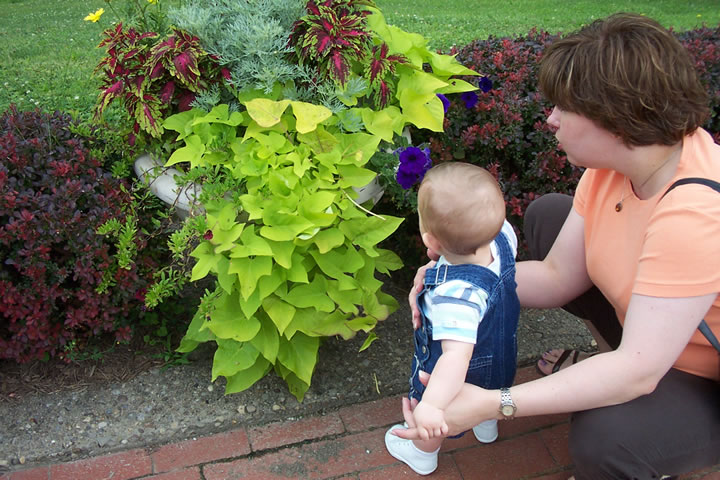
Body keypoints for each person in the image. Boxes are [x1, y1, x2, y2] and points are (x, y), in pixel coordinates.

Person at [392, 12, 720, 479]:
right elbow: (556, 277)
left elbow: (638, 371)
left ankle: (652, 426)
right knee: (550, 215)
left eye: (565, 108)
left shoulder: (695, 214)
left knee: (605, 439)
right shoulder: (618, 167)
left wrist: (494, 402)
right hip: (651, 338)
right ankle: (604, 367)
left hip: (703, 374)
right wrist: (453, 280)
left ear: (617, 121)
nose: (551, 119)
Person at [384, 161, 520, 475]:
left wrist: (432, 405)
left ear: (431, 241)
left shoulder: (455, 296)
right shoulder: (503, 235)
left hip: (456, 373)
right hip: (501, 352)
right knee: (491, 392)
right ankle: (487, 427)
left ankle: (423, 452)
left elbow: (455, 357)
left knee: (436, 409)